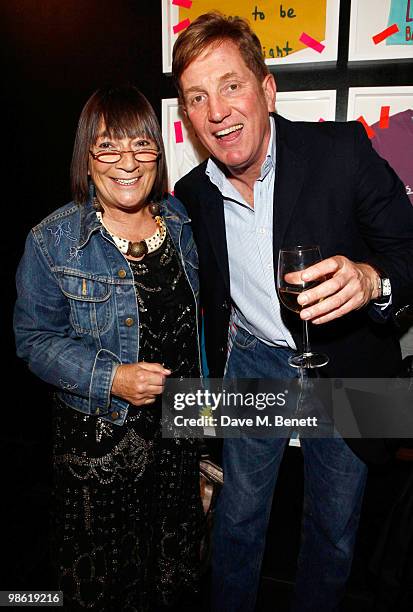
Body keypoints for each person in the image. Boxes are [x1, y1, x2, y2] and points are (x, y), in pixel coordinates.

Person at [171, 12, 413, 612]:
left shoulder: (343, 151)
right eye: (197, 97)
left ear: (267, 89)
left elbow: (409, 251)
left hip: (351, 358)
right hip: (256, 359)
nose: (217, 110)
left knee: (333, 531)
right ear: (188, 116)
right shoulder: (193, 195)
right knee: (239, 517)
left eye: (231, 86)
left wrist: (372, 278)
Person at [14, 85, 203, 611]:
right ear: (86, 156)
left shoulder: (181, 222)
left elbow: (194, 339)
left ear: (157, 154)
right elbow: (32, 340)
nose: (127, 162)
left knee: (173, 576)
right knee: (105, 586)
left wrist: (208, 440)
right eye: (108, 148)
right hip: (99, 456)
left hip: (178, 449)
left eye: (141, 147)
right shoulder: (52, 240)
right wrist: (110, 377)